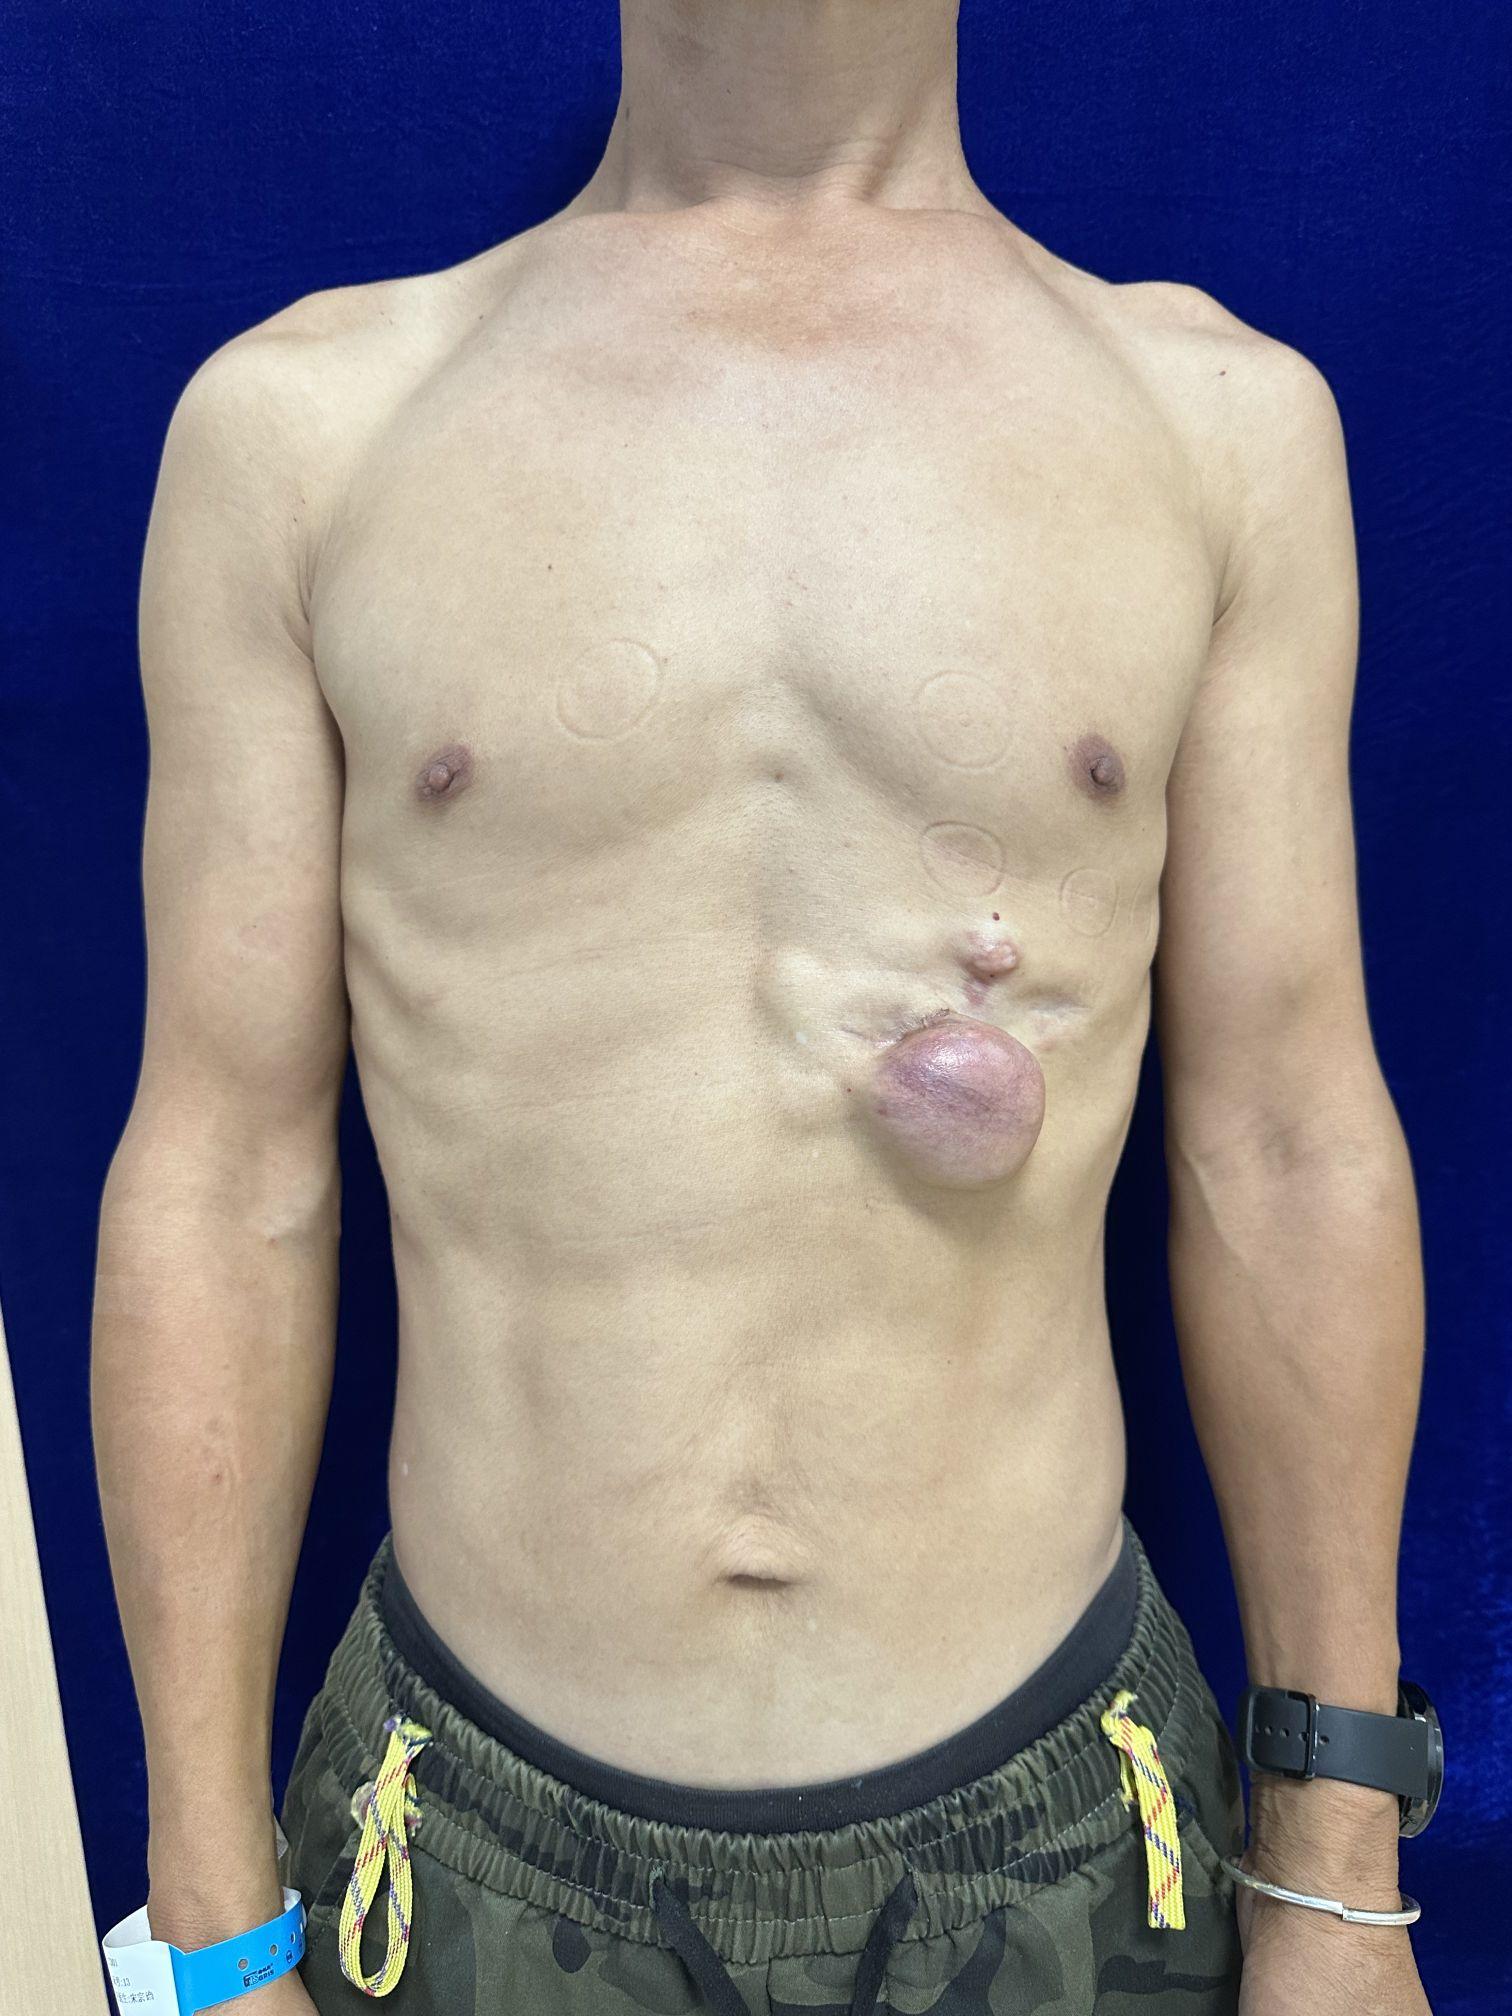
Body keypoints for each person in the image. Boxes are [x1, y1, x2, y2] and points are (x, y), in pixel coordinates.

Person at [91, 4, 1437, 2011]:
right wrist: (206, 1931)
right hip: (453, 1855)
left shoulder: (1216, 429)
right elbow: (221, 1177)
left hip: (1068, 1850)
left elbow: (1289, 1139)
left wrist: (1337, 1878)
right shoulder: (308, 432)